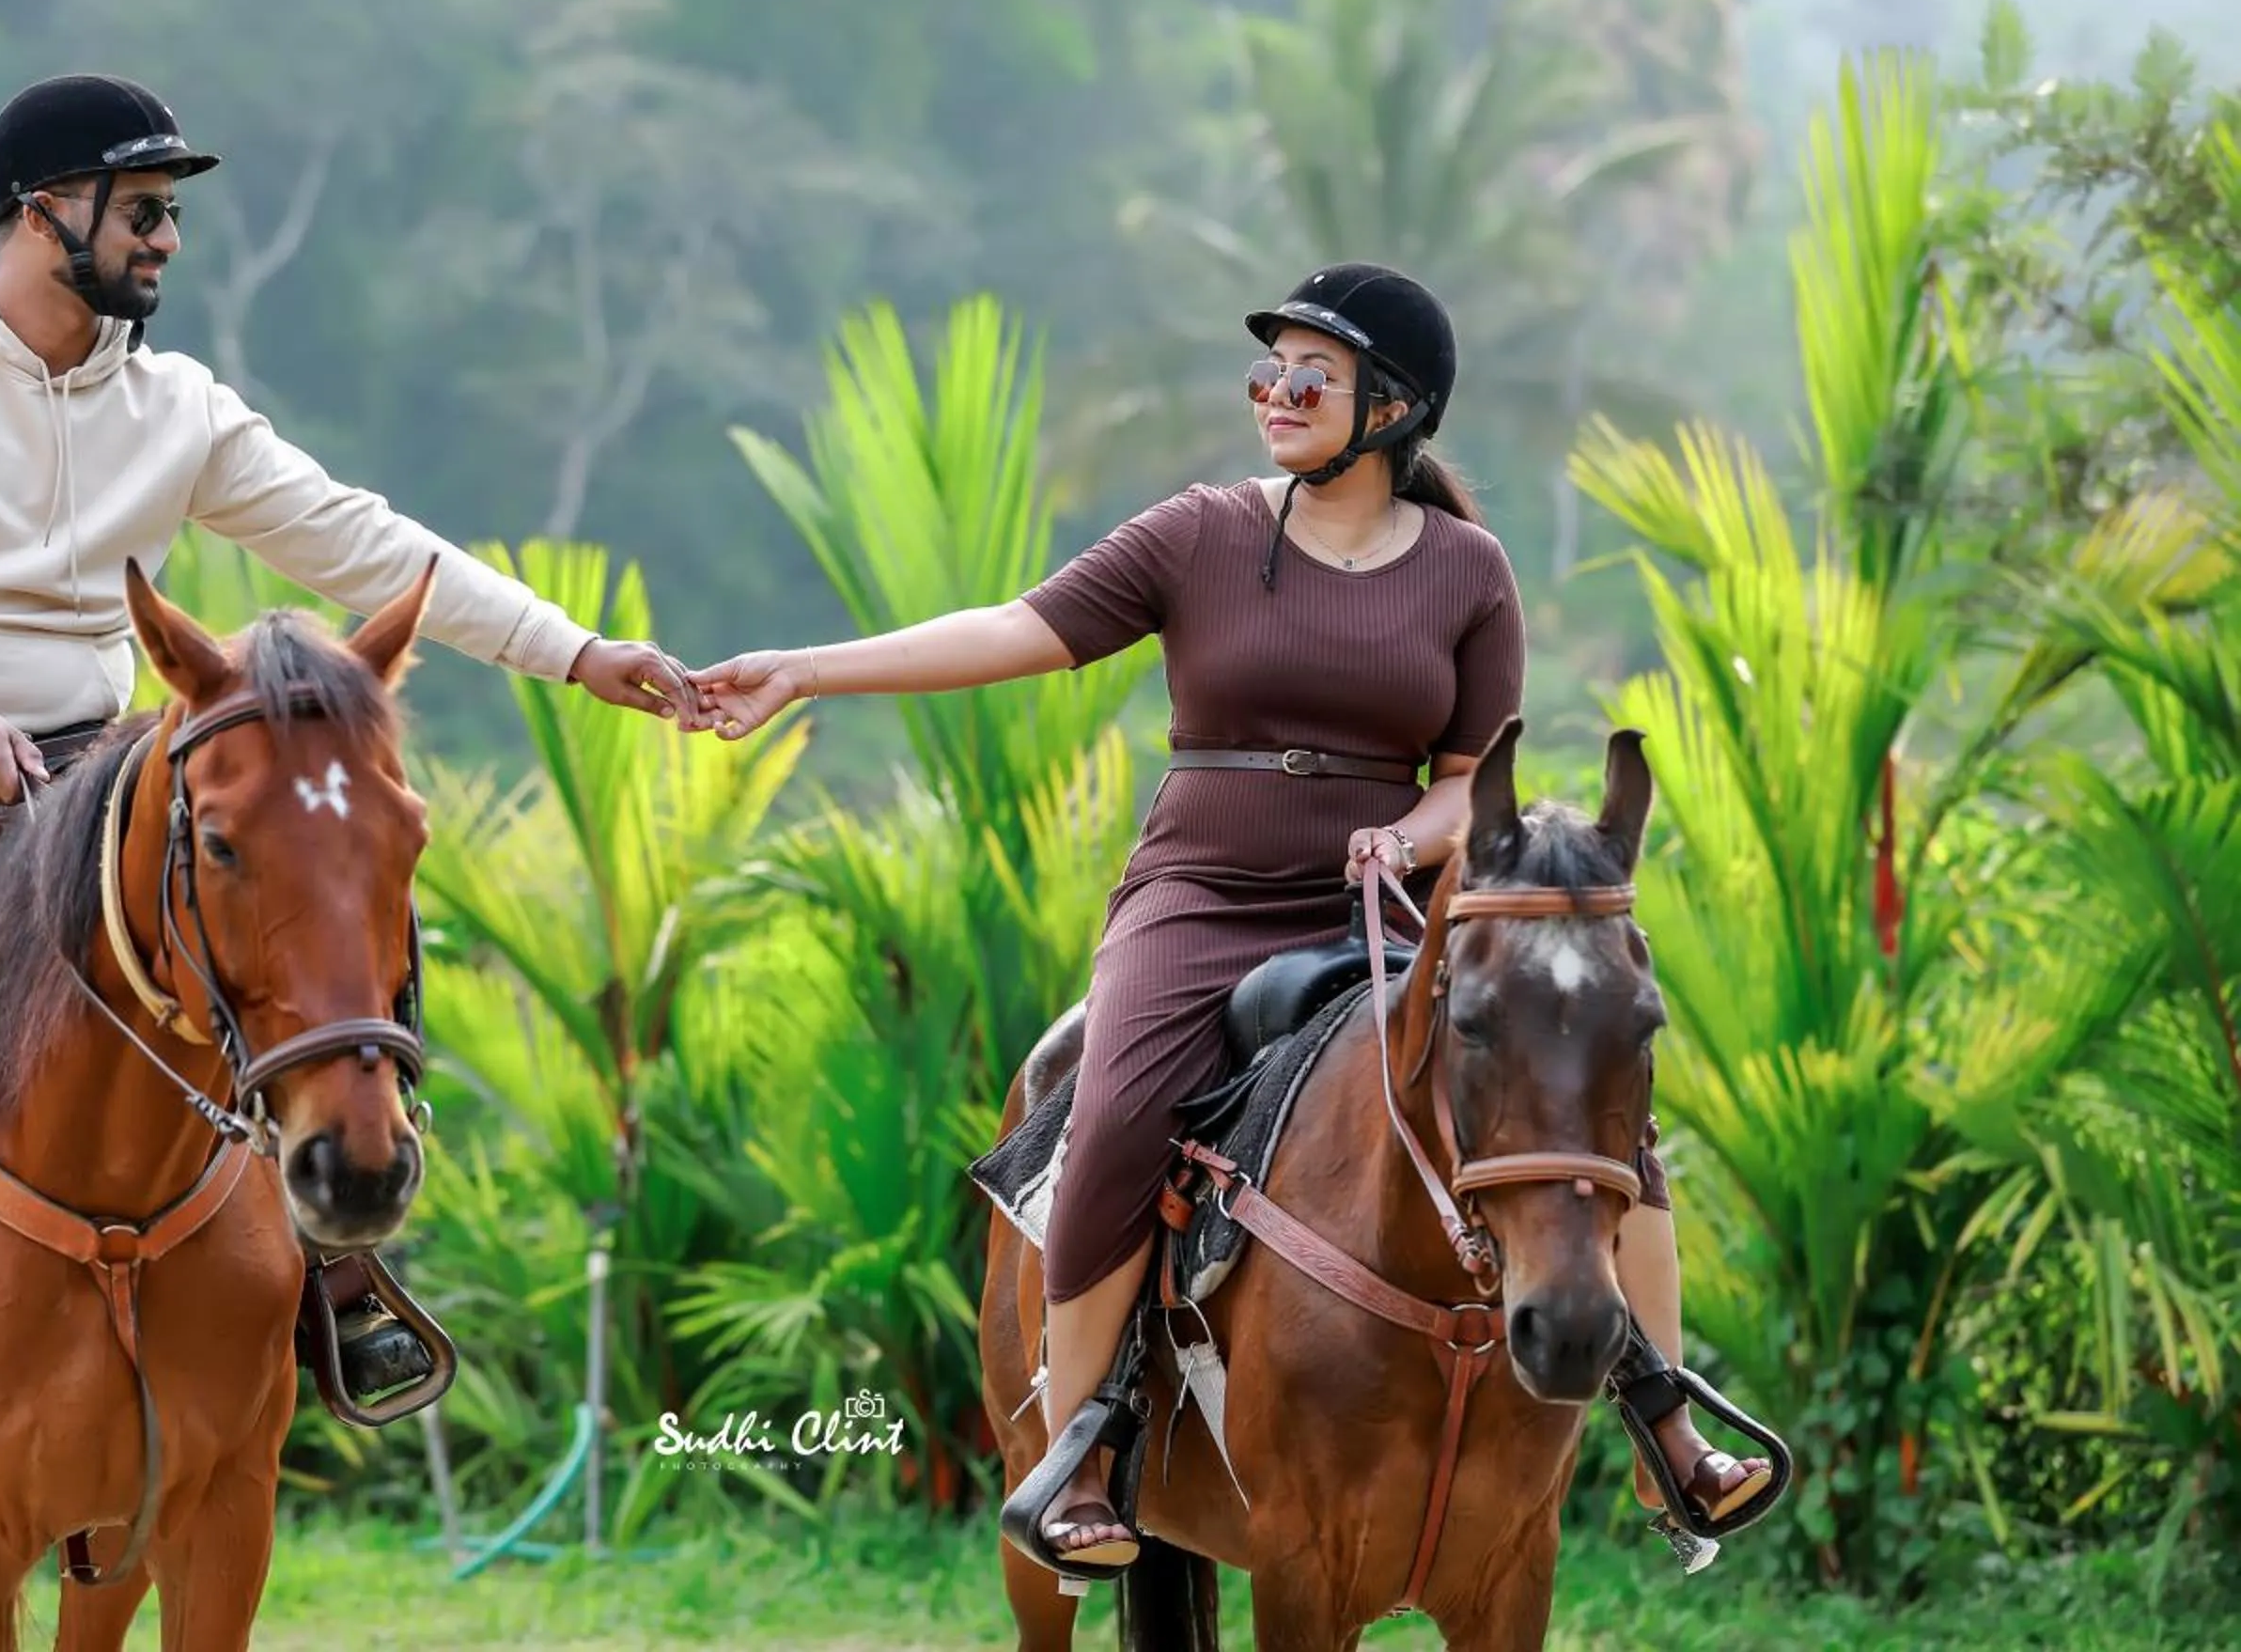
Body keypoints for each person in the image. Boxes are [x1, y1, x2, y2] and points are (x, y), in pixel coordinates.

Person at [0, 72, 703, 1490]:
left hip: (96, 763)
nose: (164, 238)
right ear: (43, 214)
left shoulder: (180, 410)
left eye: (169, 214)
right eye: (141, 210)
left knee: (318, 918)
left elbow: (366, 545)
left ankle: (342, 1269)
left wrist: (578, 655)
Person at [688, 264, 1772, 1573]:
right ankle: (1081, 1454)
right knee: (1110, 1116)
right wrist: (806, 671)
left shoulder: (1471, 571)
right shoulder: (1194, 534)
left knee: (1591, 1096)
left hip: (1387, 911)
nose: (1278, 394)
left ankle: (1663, 1417)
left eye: (1311, 375)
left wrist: (1410, 837)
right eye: (1268, 372)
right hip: (1201, 896)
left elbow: (1465, 783)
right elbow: (1015, 627)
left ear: (1393, 406)